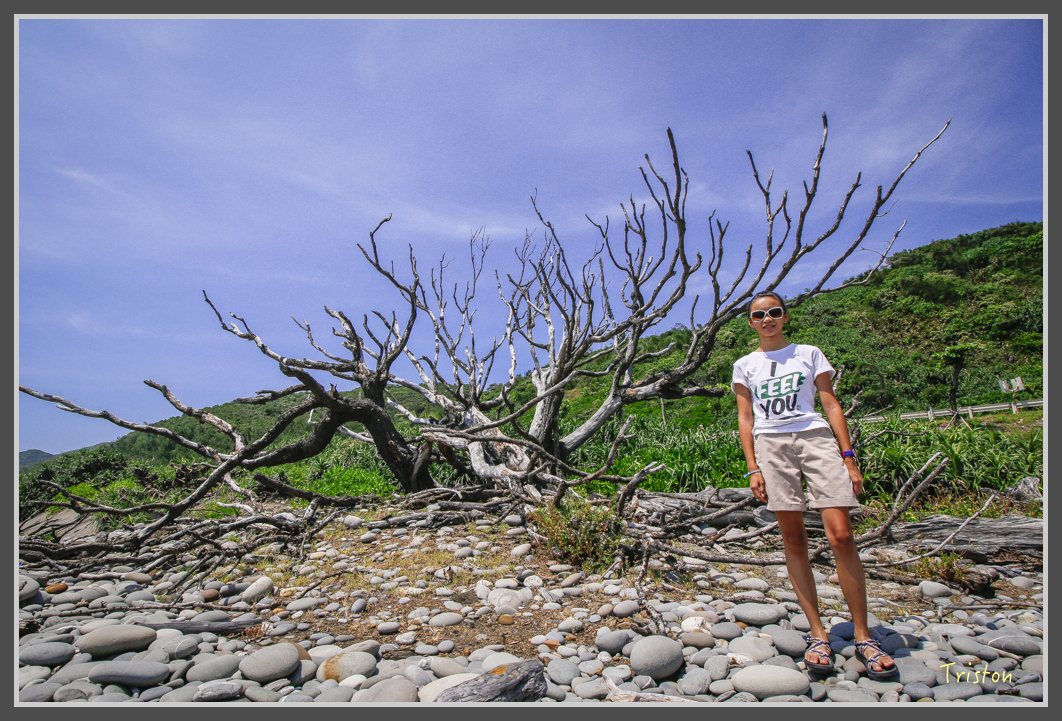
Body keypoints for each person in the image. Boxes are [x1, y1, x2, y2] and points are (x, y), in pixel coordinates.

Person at [731, 291, 897, 679]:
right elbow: (745, 419)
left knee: (841, 535)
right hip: (771, 445)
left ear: (785, 317)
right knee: (793, 539)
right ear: (751, 323)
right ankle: (818, 633)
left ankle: (862, 634)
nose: (767, 319)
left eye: (774, 312)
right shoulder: (745, 365)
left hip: (815, 437)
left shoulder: (809, 353)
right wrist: (752, 467)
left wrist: (849, 455)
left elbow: (831, 403)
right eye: (759, 315)